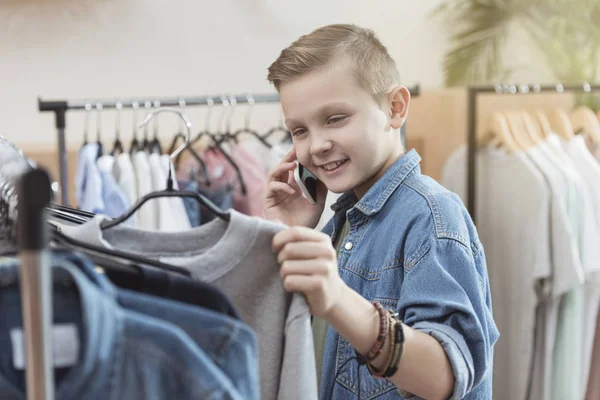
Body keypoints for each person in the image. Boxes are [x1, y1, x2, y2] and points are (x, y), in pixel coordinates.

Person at [264, 24, 499, 400]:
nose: (317, 146)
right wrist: (296, 233)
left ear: (395, 108)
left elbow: (445, 376)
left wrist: (338, 300)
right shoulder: (337, 226)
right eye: (299, 130)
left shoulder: (432, 216)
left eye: (335, 118)